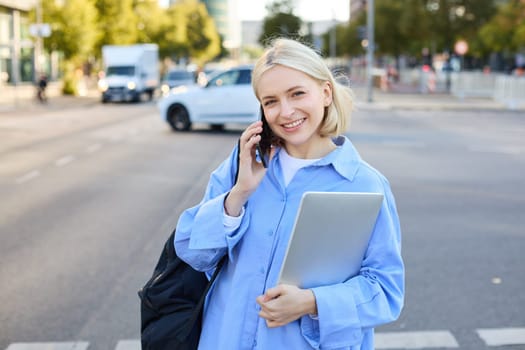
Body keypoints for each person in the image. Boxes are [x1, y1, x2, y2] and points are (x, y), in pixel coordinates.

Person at [174, 38, 404, 349]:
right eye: (271, 101)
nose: (285, 111)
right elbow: (193, 252)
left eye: (297, 94)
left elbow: (387, 290)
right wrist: (239, 194)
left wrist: (312, 302)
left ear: (325, 93)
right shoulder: (242, 164)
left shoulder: (364, 184)